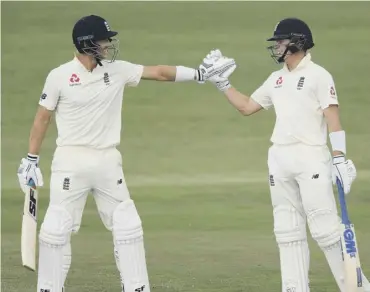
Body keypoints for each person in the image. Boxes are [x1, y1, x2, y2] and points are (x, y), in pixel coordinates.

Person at [16, 15, 233, 292]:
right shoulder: (58, 76)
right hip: (70, 162)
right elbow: (42, 118)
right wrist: (31, 159)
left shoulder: (117, 70)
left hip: (108, 162)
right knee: (57, 227)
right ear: (87, 44)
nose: (108, 45)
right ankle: (48, 288)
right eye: (103, 40)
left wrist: (201, 74)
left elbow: (159, 72)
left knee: (127, 223)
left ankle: (137, 288)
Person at [200, 18, 370, 292]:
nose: (276, 46)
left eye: (280, 41)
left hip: (311, 158)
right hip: (279, 160)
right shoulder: (276, 79)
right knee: (287, 231)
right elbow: (247, 107)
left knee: (326, 231)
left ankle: (356, 288)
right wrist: (222, 84)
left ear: (298, 42)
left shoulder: (319, 75)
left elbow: (333, 119)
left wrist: (339, 158)